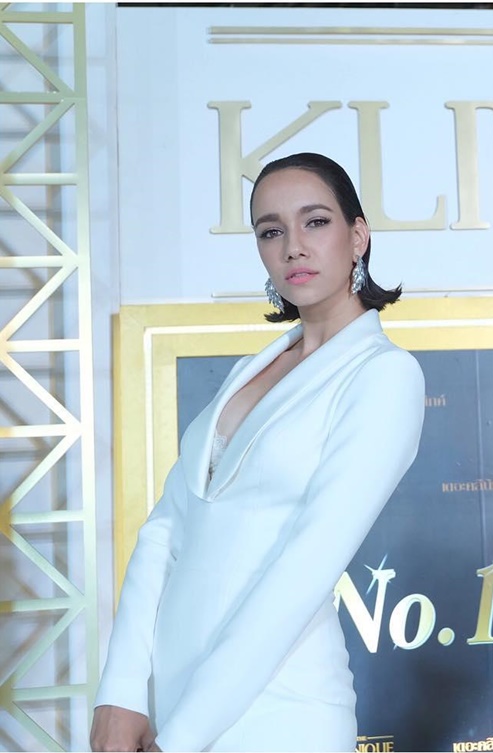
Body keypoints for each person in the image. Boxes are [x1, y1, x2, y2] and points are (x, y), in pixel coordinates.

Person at [90, 153, 425, 753]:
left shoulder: (384, 376)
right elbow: (164, 531)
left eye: (315, 221)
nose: (293, 247)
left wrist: (182, 739)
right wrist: (121, 692)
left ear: (358, 235)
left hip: (279, 711)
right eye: (271, 231)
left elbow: (301, 573)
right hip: (168, 699)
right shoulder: (254, 367)